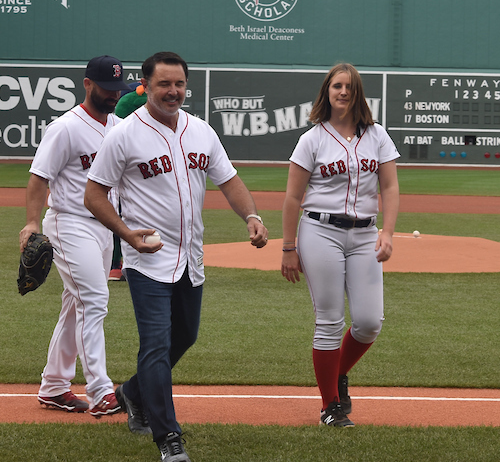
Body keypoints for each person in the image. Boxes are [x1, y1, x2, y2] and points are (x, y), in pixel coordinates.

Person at [83, 51, 268, 462]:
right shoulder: (125, 135)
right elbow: (93, 194)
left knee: (184, 336)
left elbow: (230, 180)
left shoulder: (201, 131)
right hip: (147, 259)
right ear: (145, 86)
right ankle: (168, 437)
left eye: (179, 83)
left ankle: (131, 393)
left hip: (190, 257)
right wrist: (127, 235)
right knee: (155, 345)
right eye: (164, 84)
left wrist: (251, 215)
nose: (173, 91)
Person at [280, 63, 400, 428]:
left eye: (349, 87)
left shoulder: (377, 135)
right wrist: (288, 247)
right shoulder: (312, 139)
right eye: (336, 86)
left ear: (358, 92)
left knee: (368, 323)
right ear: (326, 92)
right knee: (330, 321)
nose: (343, 92)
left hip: (365, 234)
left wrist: (389, 232)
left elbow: (390, 187)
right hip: (321, 232)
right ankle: (330, 406)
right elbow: (291, 197)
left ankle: (336, 375)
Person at [19, 56, 131, 417]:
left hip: (104, 228)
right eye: (106, 89)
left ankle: (53, 386)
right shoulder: (66, 128)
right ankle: (100, 391)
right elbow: (40, 177)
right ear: (87, 84)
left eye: (118, 89)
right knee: (95, 300)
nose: (113, 95)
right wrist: (32, 223)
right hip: (70, 223)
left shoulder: (119, 126)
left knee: (75, 305)